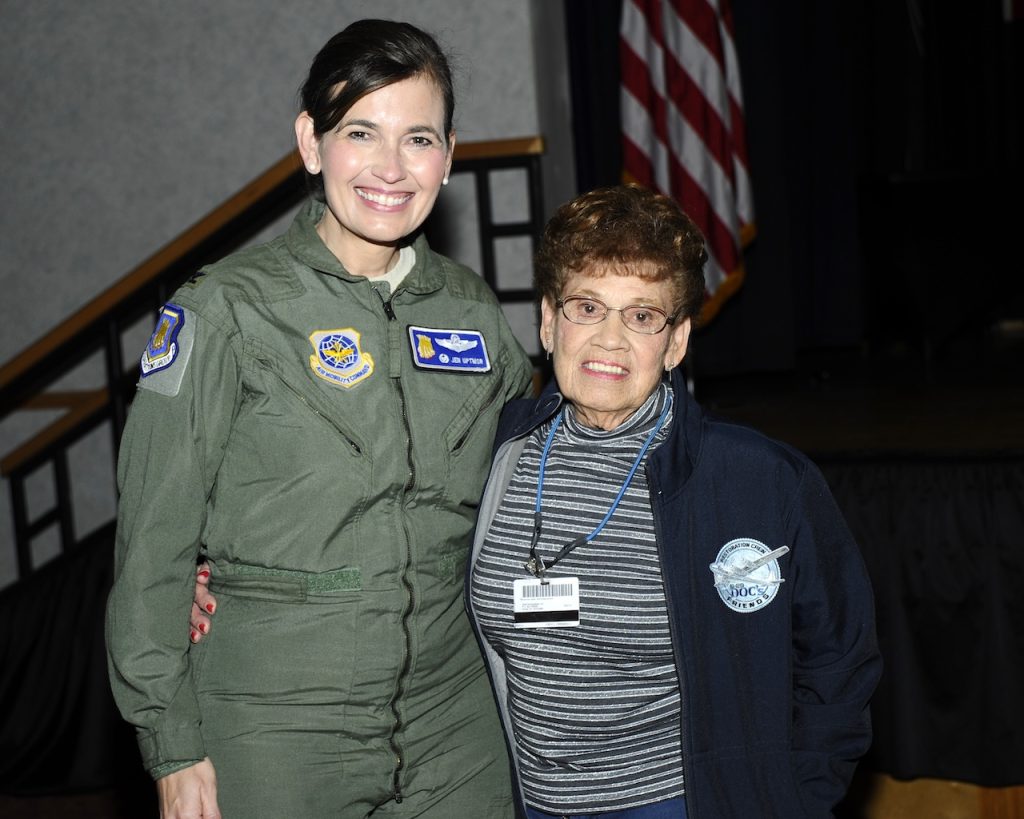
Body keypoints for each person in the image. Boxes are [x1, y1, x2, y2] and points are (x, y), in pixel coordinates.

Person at [105, 19, 533, 819]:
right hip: (275, 721)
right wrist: (171, 739)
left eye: (419, 138)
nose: (390, 167)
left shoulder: (469, 311)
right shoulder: (227, 310)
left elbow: (543, 453)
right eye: (360, 132)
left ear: (449, 155)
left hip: (455, 725)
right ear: (311, 142)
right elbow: (152, 543)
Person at [464, 184, 882, 818]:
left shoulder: (758, 481)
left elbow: (839, 662)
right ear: (548, 321)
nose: (609, 339)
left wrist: (785, 802)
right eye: (587, 307)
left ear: (677, 341)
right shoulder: (494, 453)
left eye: (641, 315)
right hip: (535, 805)